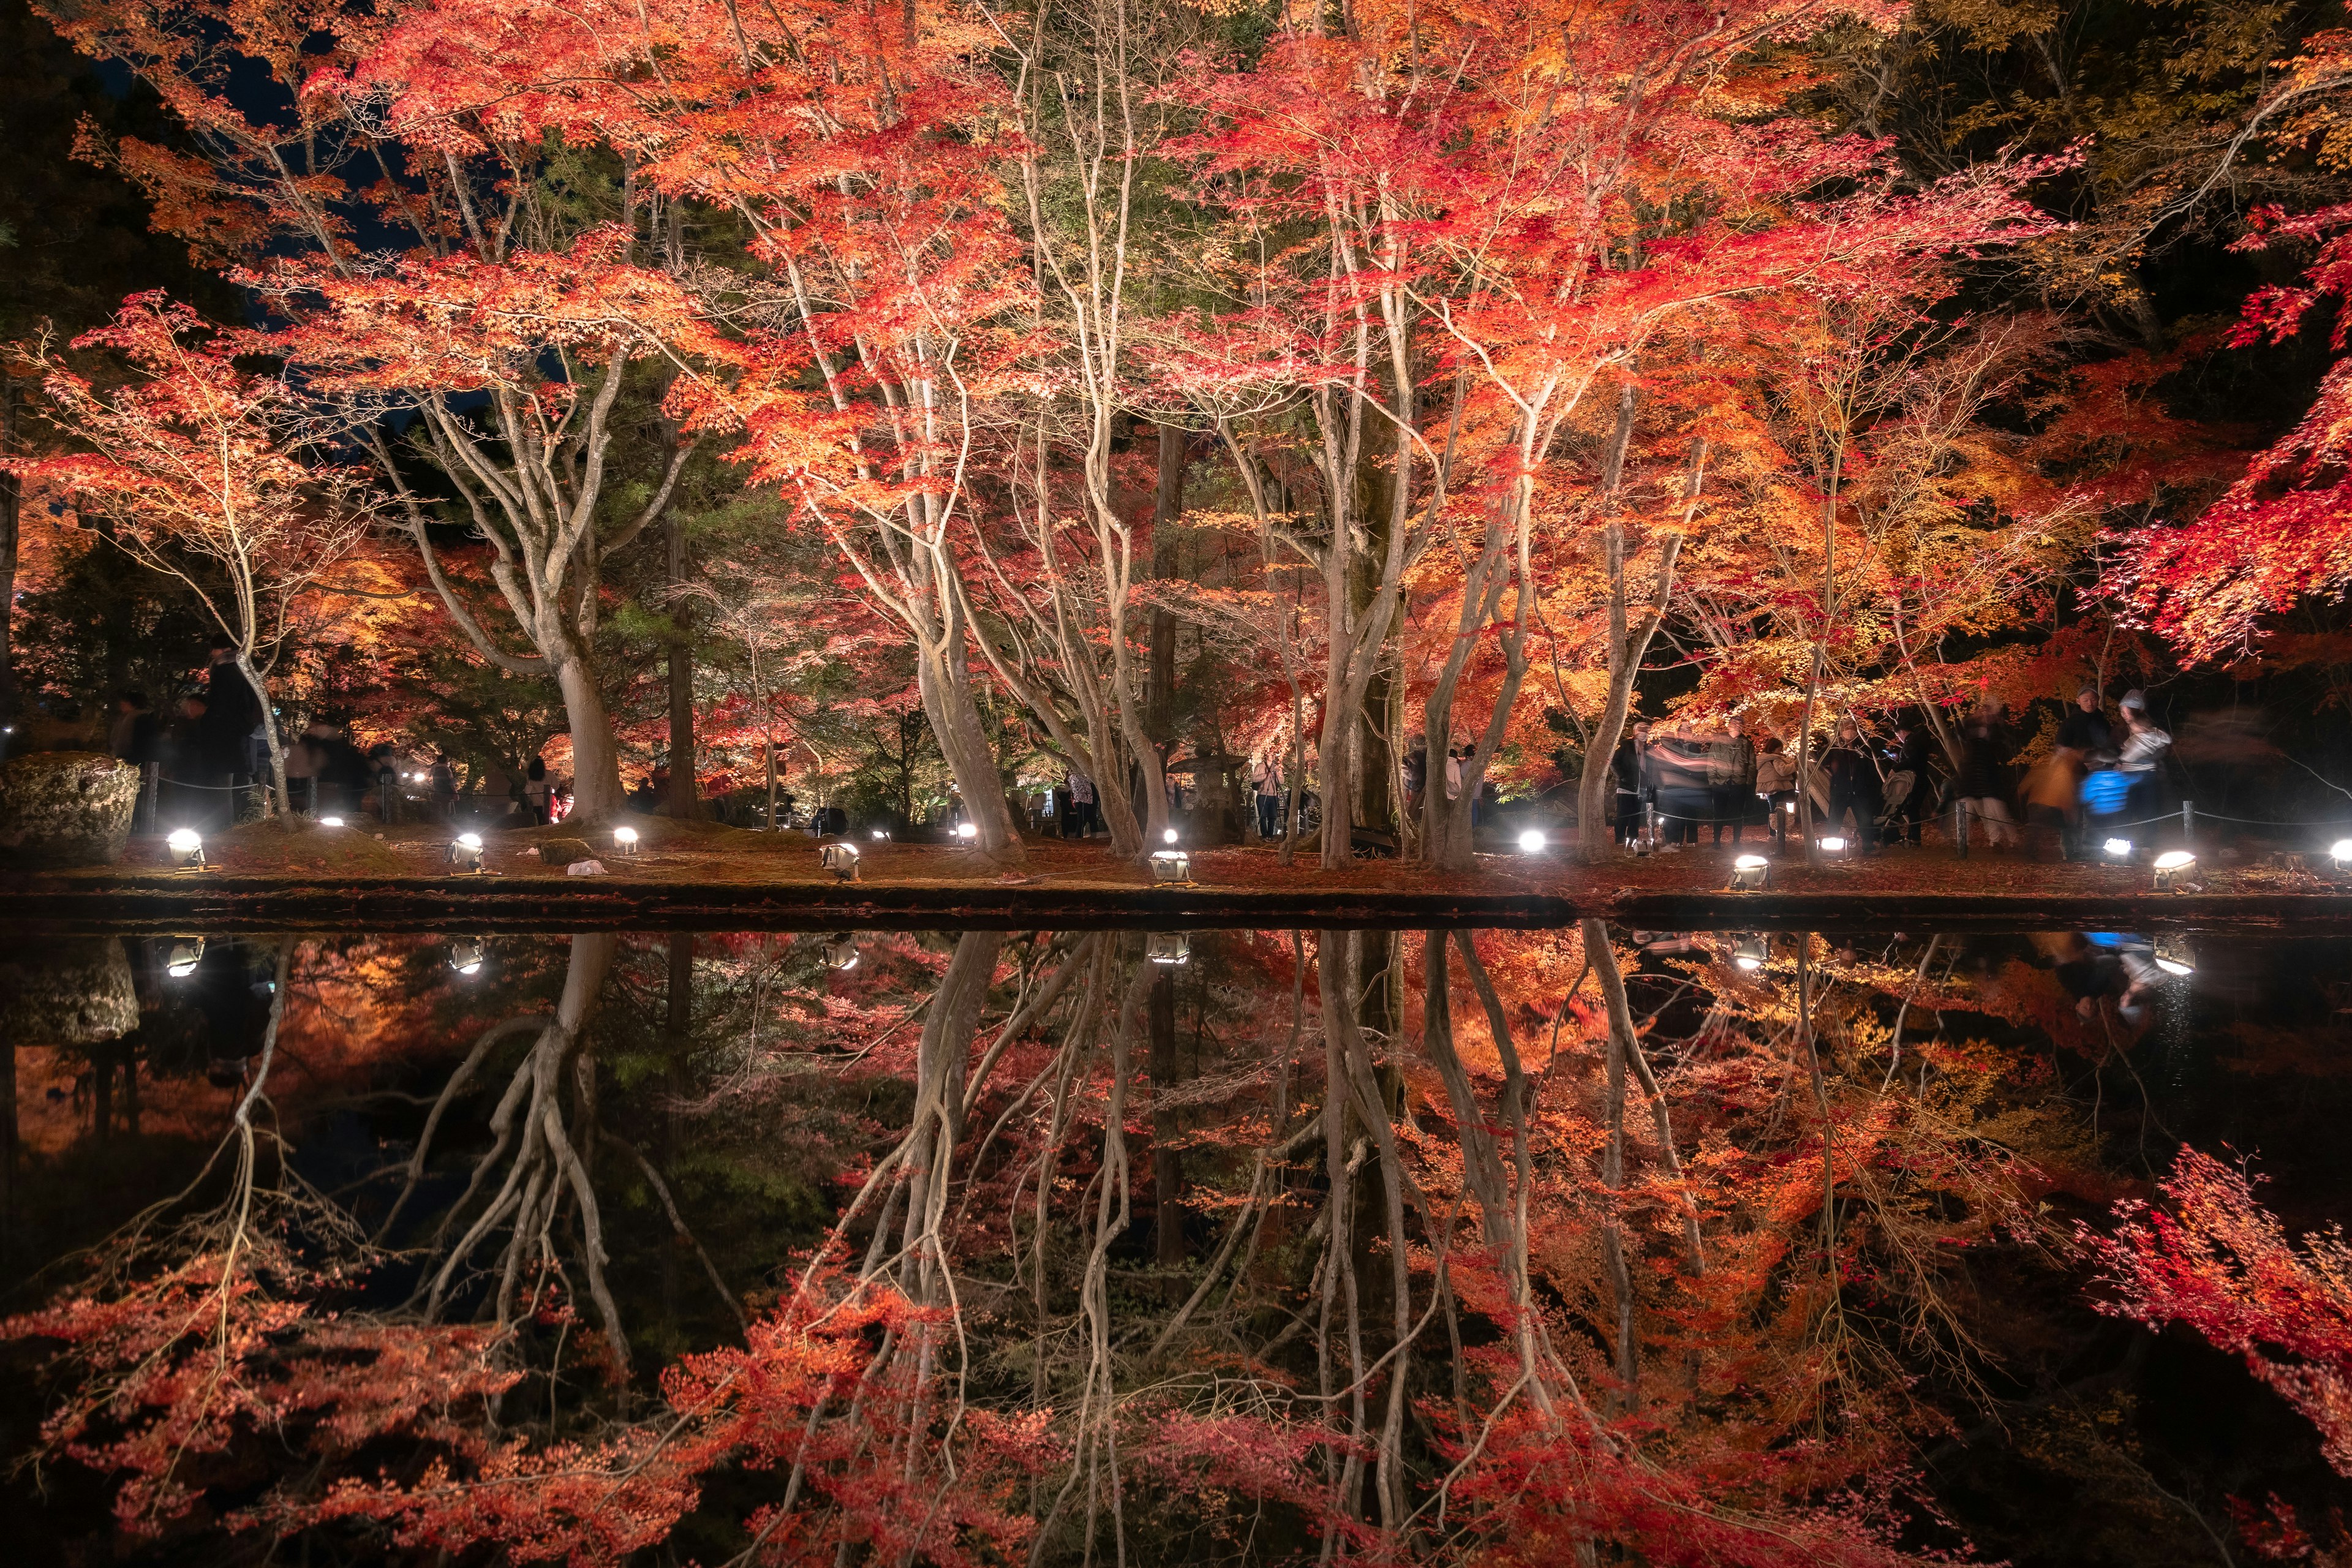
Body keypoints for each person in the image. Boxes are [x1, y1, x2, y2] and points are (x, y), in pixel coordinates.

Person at [1953, 701, 2018, 849]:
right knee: (1964, 810)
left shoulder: (1997, 730)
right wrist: (1975, 718)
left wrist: (1994, 723)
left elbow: (2004, 745)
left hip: (1989, 775)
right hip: (1971, 775)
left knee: (1996, 812)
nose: (1985, 714)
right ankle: (1962, 842)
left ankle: (2002, 840)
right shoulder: (1972, 728)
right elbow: (1959, 730)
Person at [1821, 717, 1883, 850]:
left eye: (1852, 729)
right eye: (1846, 729)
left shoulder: (1863, 749)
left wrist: (1872, 789)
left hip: (1860, 791)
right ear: (1841, 731)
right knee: (1834, 819)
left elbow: (1871, 770)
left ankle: (1868, 846)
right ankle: (1831, 848)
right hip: (1840, 791)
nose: (1849, 732)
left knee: (1865, 819)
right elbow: (1822, 761)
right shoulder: (1835, 749)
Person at [2116, 690, 2172, 818]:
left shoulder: (2147, 728)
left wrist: (2125, 759)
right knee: (2127, 811)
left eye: (2127, 712)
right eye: (2122, 712)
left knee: (2148, 811)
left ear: (2137, 712)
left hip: (2146, 773)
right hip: (2127, 775)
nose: (2124, 715)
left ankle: (2149, 837)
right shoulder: (2121, 729)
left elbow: (2161, 749)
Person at [1880, 723, 1933, 846]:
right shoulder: (1918, 742)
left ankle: (1911, 838)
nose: (1899, 738)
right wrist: (1900, 759)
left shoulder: (1911, 743)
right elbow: (1915, 760)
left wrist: (1896, 767)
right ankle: (1913, 837)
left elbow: (1912, 761)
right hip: (1921, 780)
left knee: (1908, 808)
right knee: (1912, 809)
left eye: (1898, 735)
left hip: (1913, 782)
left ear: (1902, 732)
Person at [1707, 715, 1757, 844]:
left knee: (1738, 814)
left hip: (1739, 783)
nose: (1737, 726)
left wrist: (1748, 780)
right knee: (1718, 813)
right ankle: (1716, 841)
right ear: (1729, 724)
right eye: (1734, 723)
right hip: (1720, 782)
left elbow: (1752, 764)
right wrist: (1712, 780)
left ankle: (1736, 842)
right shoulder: (1719, 741)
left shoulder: (1746, 743)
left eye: (1740, 724)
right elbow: (1712, 761)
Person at [1612, 721, 1652, 845]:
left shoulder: (1648, 748)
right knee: (1623, 813)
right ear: (1635, 732)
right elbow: (1614, 762)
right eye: (1641, 730)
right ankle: (1620, 838)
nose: (1644, 733)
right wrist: (1622, 776)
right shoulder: (1625, 745)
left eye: (1646, 731)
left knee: (1636, 815)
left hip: (1641, 788)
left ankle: (1633, 838)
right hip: (1626, 786)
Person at [1754, 736, 1797, 847]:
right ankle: (1778, 834)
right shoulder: (1774, 759)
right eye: (1779, 749)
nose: (1781, 751)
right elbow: (1783, 771)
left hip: (1770, 789)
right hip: (1777, 788)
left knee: (1773, 810)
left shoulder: (1764, 758)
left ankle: (1775, 833)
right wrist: (1795, 765)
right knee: (1779, 811)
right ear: (1774, 748)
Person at [2057, 685, 2112, 755]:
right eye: (2086, 700)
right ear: (2078, 701)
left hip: (2104, 763)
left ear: (2098, 700)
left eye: (2093, 700)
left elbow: (2111, 745)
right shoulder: (2069, 723)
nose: (2090, 703)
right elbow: (2060, 749)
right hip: (2079, 764)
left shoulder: (2104, 723)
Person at [1254, 756, 1283, 840]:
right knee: (1262, 816)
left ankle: (1270, 836)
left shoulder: (1277, 767)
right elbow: (1254, 778)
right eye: (1271, 754)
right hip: (1262, 794)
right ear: (1266, 756)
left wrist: (1278, 774)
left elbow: (1281, 781)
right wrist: (1267, 775)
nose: (1273, 756)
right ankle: (1264, 836)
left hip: (1274, 795)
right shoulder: (1260, 766)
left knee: (1273, 816)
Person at [523, 756, 554, 824]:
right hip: (547, 802)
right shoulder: (549, 774)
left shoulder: (529, 775)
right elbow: (556, 786)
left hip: (535, 803)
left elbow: (527, 791)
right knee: (546, 822)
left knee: (536, 822)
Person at [430, 752, 459, 821]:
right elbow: (449, 782)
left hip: (438, 791)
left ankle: (444, 821)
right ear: (446, 761)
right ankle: (446, 823)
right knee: (446, 810)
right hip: (446, 792)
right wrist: (455, 790)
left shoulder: (435, 768)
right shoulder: (444, 769)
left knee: (443, 808)